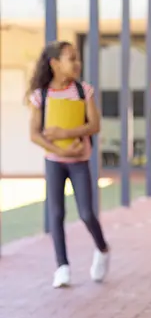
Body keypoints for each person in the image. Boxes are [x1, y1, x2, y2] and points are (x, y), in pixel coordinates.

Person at [27, 41, 110, 288]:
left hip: (79, 161)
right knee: (56, 213)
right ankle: (62, 266)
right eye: (70, 58)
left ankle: (102, 248)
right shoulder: (40, 95)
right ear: (54, 64)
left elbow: (94, 126)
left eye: (77, 58)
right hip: (54, 162)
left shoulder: (84, 91)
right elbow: (34, 134)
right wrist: (59, 148)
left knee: (86, 212)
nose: (77, 63)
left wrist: (65, 134)